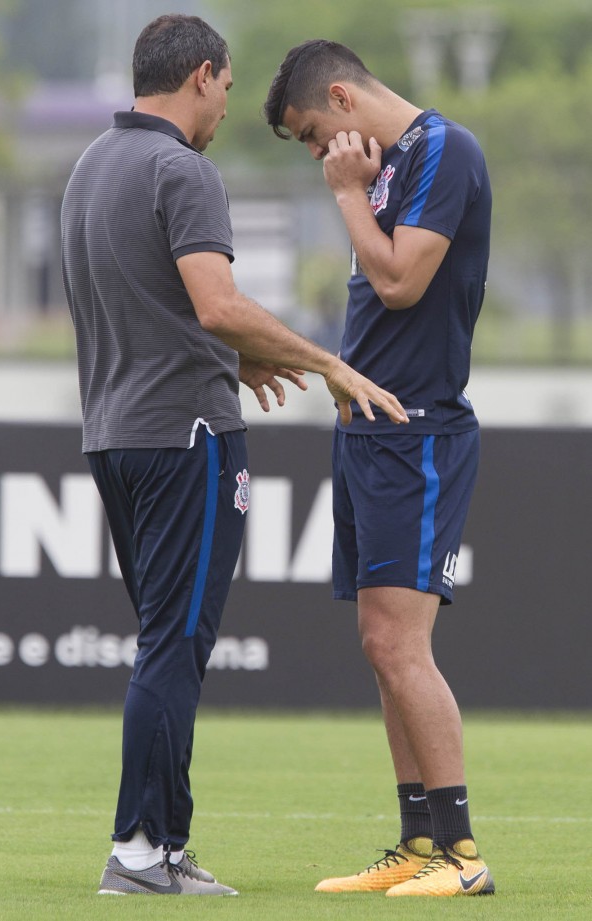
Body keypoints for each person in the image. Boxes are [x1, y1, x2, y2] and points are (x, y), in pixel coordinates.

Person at [61, 15, 408, 898]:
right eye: (224, 89)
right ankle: (139, 850)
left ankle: (164, 847)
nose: (223, 107)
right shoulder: (182, 169)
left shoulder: (89, 167)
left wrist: (230, 356)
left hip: (113, 434)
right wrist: (324, 359)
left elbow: (144, 305)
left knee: (161, 645)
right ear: (205, 77)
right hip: (188, 438)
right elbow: (215, 303)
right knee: (174, 647)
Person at [264, 40, 493, 898]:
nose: (322, 152)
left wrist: (348, 193)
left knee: (403, 644)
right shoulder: (385, 169)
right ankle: (415, 837)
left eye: (315, 133)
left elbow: (399, 281)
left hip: (417, 431)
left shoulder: (443, 151)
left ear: (341, 97)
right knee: (377, 644)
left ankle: (462, 854)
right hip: (366, 431)